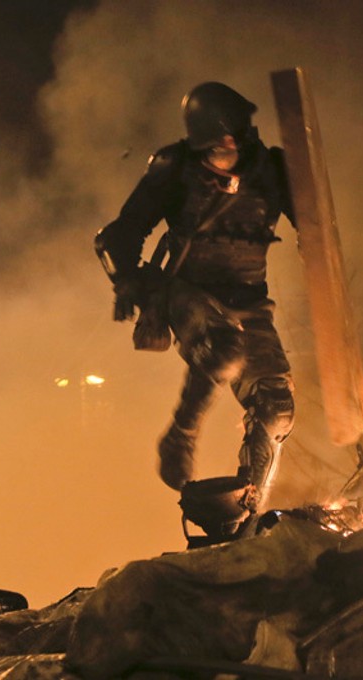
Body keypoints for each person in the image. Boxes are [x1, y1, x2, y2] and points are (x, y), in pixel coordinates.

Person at [94, 81, 295, 511]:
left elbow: (315, 221)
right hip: (187, 292)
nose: (227, 150)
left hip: (251, 301)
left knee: (276, 407)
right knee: (224, 347)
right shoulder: (175, 169)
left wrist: (316, 243)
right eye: (218, 145)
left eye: (233, 140)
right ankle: (180, 435)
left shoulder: (273, 171)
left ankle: (245, 509)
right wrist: (127, 281)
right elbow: (118, 234)